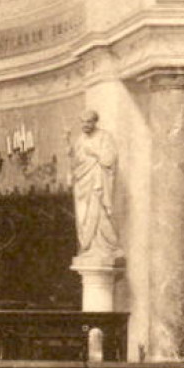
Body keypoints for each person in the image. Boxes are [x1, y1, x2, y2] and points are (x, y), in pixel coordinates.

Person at [67, 110, 122, 260]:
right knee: (83, 217)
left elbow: (110, 159)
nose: (85, 125)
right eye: (83, 122)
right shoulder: (80, 140)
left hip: (98, 184)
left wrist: (95, 153)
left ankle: (106, 246)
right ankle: (88, 246)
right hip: (82, 185)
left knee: (99, 214)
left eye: (88, 122)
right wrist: (70, 151)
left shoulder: (105, 137)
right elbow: (76, 163)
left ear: (95, 122)